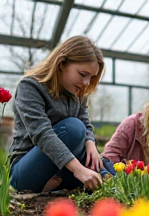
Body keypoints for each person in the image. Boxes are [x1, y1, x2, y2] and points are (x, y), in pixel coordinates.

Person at [9, 35, 107, 193]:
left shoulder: (79, 91)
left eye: (91, 77)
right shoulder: (30, 87)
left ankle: (57, 183)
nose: (87, 83)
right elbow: (42, 134)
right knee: (73, 128)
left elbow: (86, 124)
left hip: (64, 166)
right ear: (62, 63)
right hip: (26, 170)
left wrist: (91, 144)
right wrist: (79, 170)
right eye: (83, 74)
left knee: (108, 170)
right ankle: (56, 182)